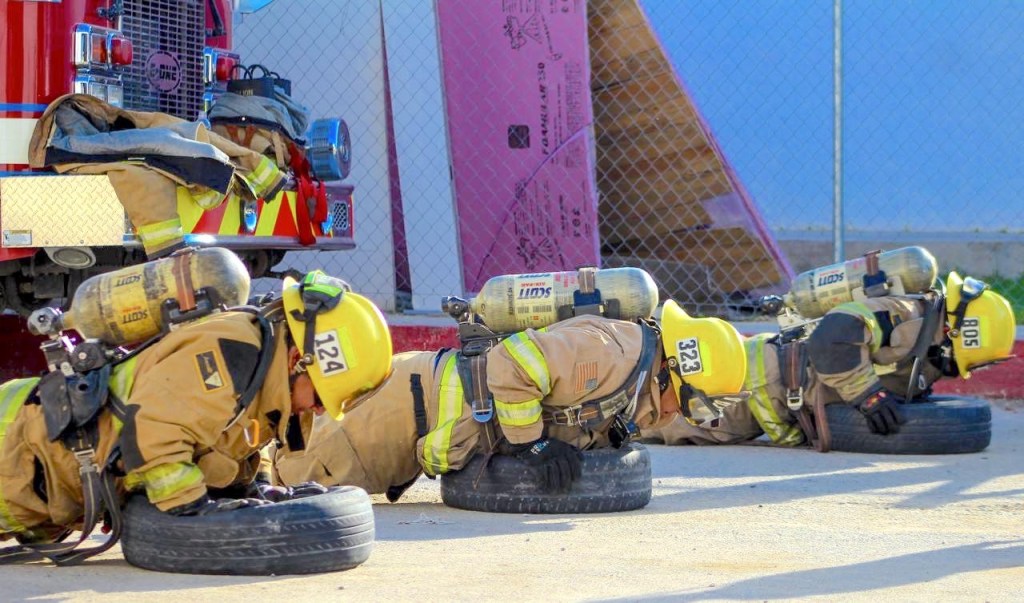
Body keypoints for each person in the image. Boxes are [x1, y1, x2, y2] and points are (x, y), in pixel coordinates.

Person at [0, 270, 392, 564]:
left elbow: (234, 439)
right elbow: (155, 433)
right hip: (15, 447)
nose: (320, 411)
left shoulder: (262, 373)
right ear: (298, 360)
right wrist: (191, 508)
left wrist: (252, 487)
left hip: (43, 482)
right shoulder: (228, 355)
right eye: (322, 397)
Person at [273, 300, 749, 499]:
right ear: (673, 370)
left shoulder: (633, 382)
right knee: (293, 491)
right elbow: (512, 365)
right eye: (690, 403)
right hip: (409, 405)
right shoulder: (609, 353)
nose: (678, 417)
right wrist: (533, 443)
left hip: (440, 426)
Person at [640, 272, 1017, 449]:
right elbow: (833, 336)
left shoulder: (924, 338)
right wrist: (867, 394)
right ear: (959, 336)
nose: (959, 373)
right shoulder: (907, 316)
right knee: (659, 420)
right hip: (758, 383)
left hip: (774, 391)